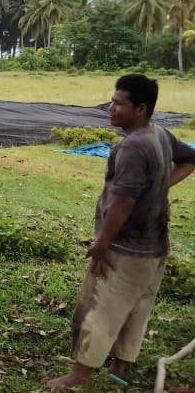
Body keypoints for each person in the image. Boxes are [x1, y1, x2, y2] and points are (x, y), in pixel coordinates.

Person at [47, 74, 195, 389]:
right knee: (138, 309)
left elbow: (123, 203)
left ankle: (79, 375)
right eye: (112, 101)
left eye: (118, 103)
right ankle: (120, 368)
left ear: (140, 108)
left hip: (126, 249)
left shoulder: (132, 147)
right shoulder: (160, 134)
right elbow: (191, 158)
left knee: (100, 309)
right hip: (155, 247)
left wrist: (101, 244)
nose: (110, 108)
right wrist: (158, 190)